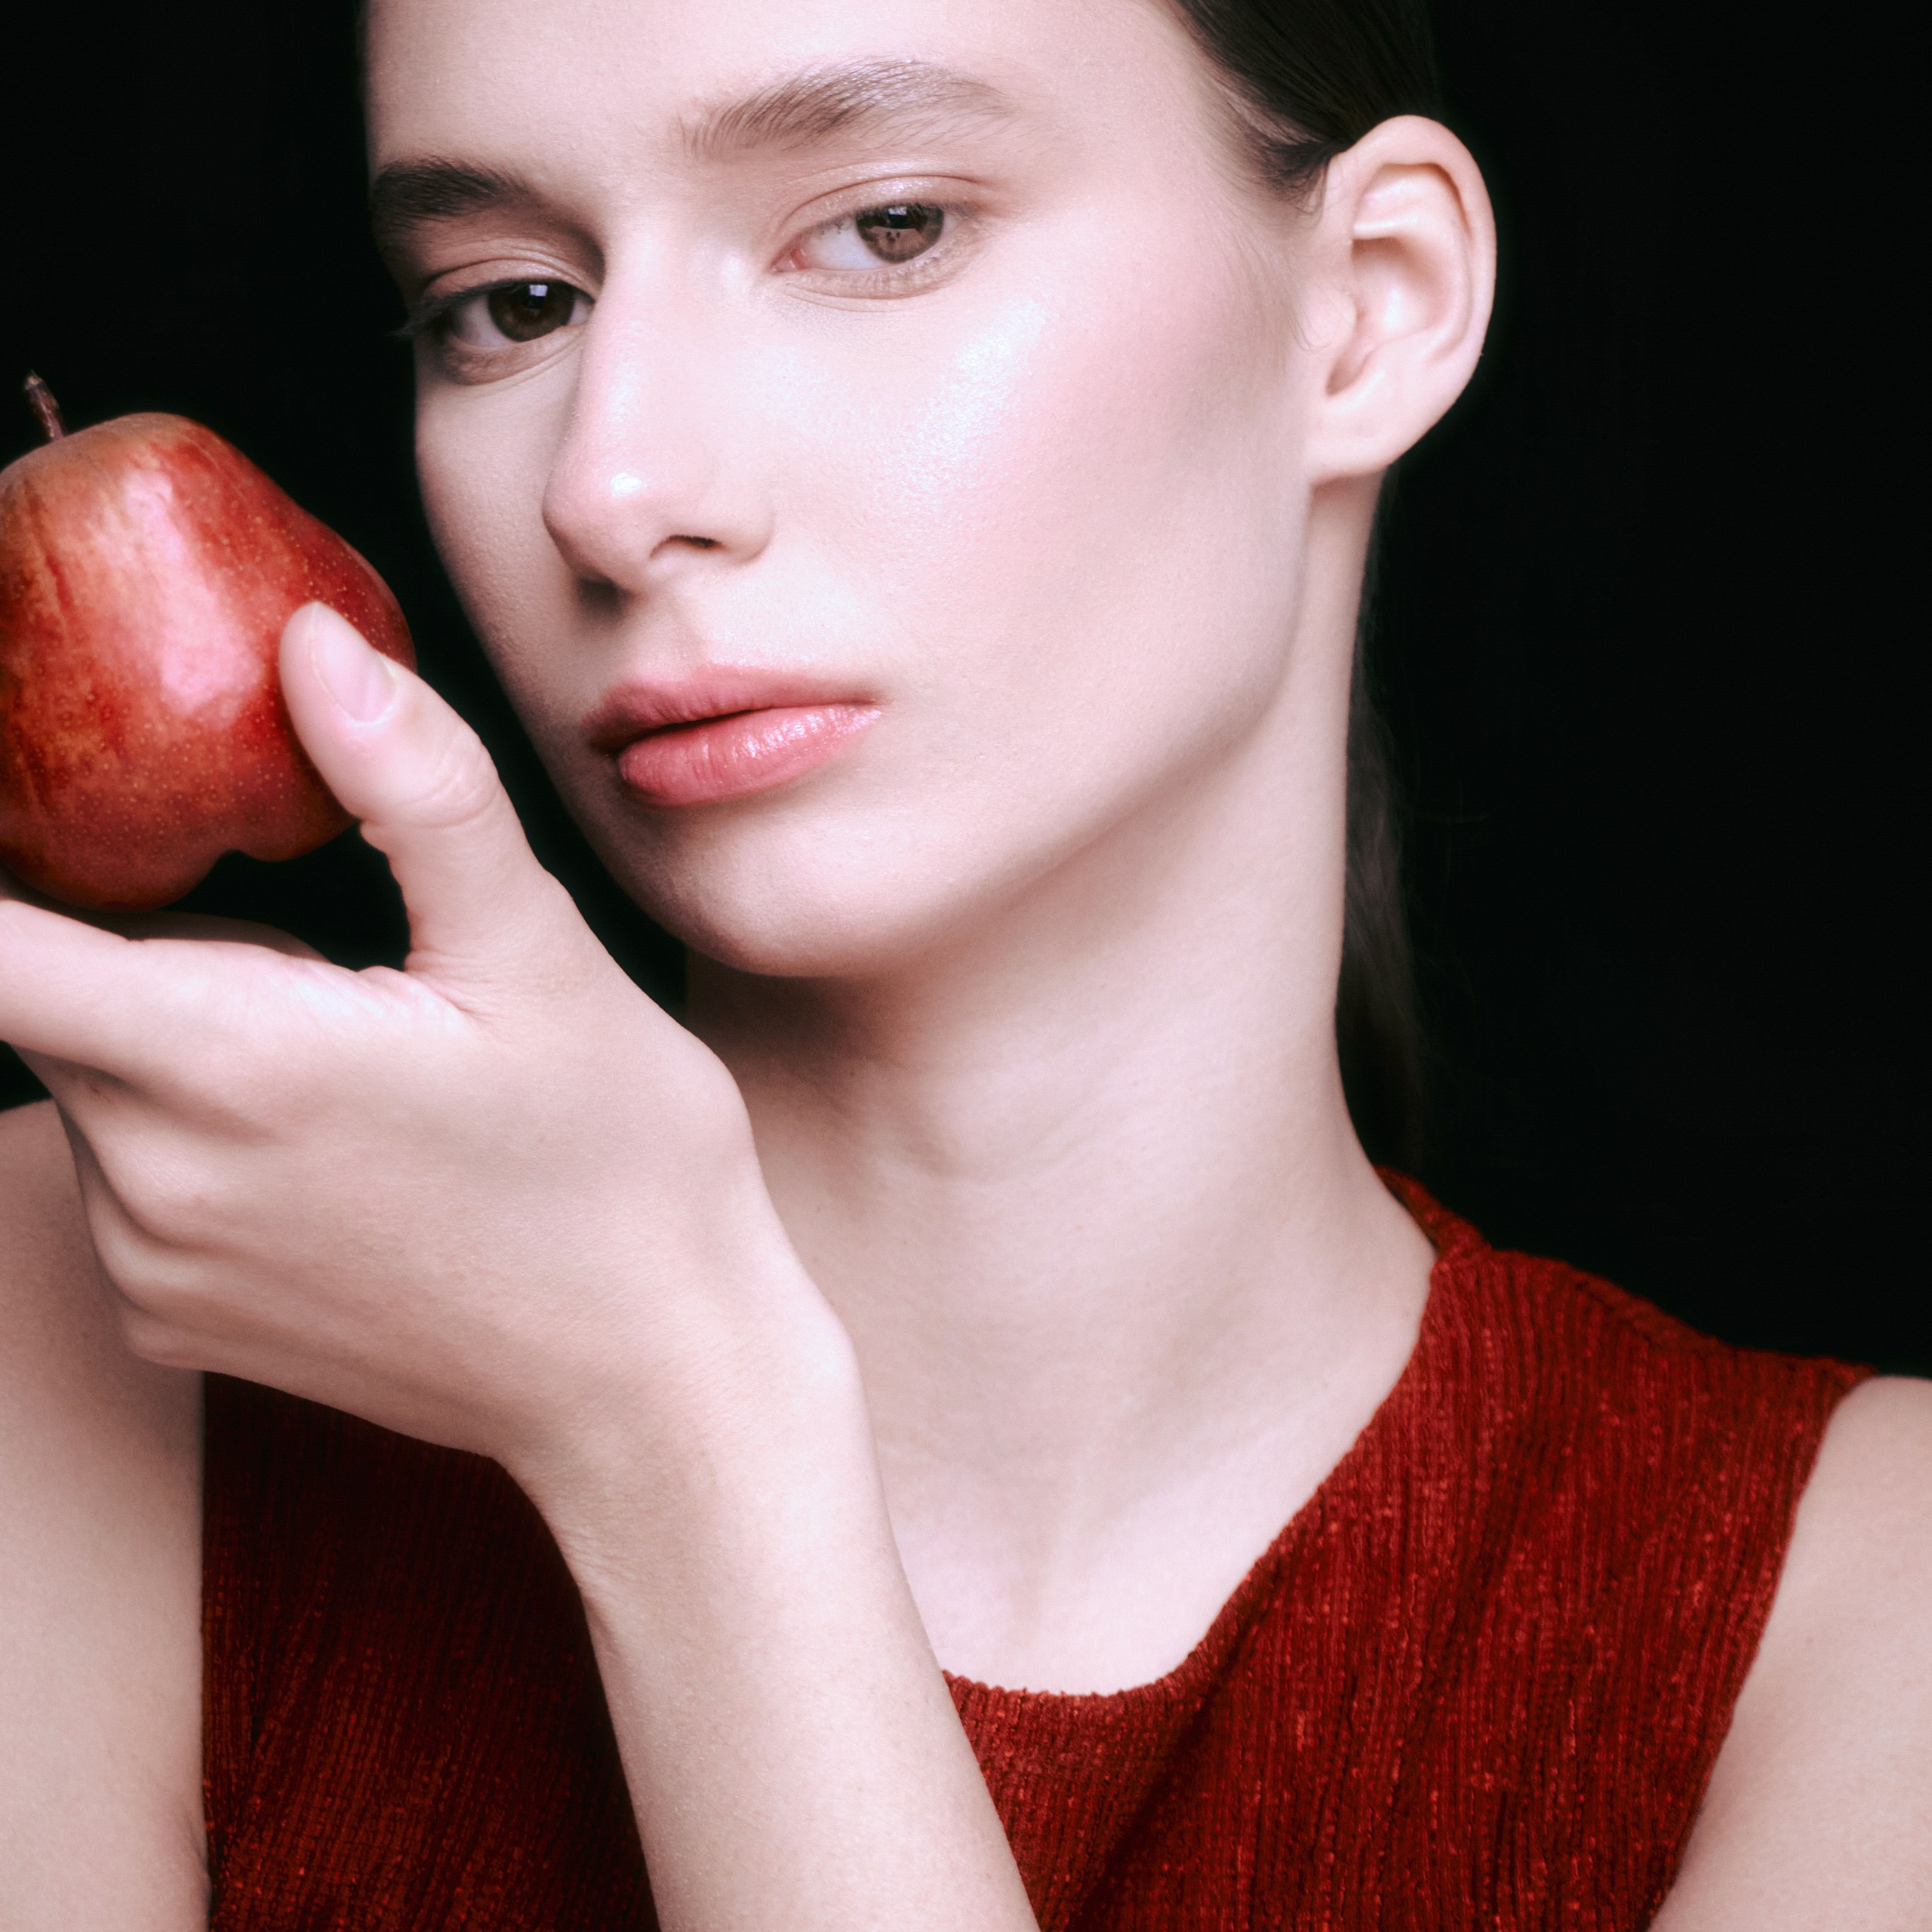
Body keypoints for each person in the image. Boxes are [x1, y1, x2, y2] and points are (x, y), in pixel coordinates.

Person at [2, 0, 1927, 1925]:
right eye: (507, 300)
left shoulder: (1861, 1598)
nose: (612, 485)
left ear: (1370, 304)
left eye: (886, 227)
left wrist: (680, 1418)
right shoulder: (70, 1315)